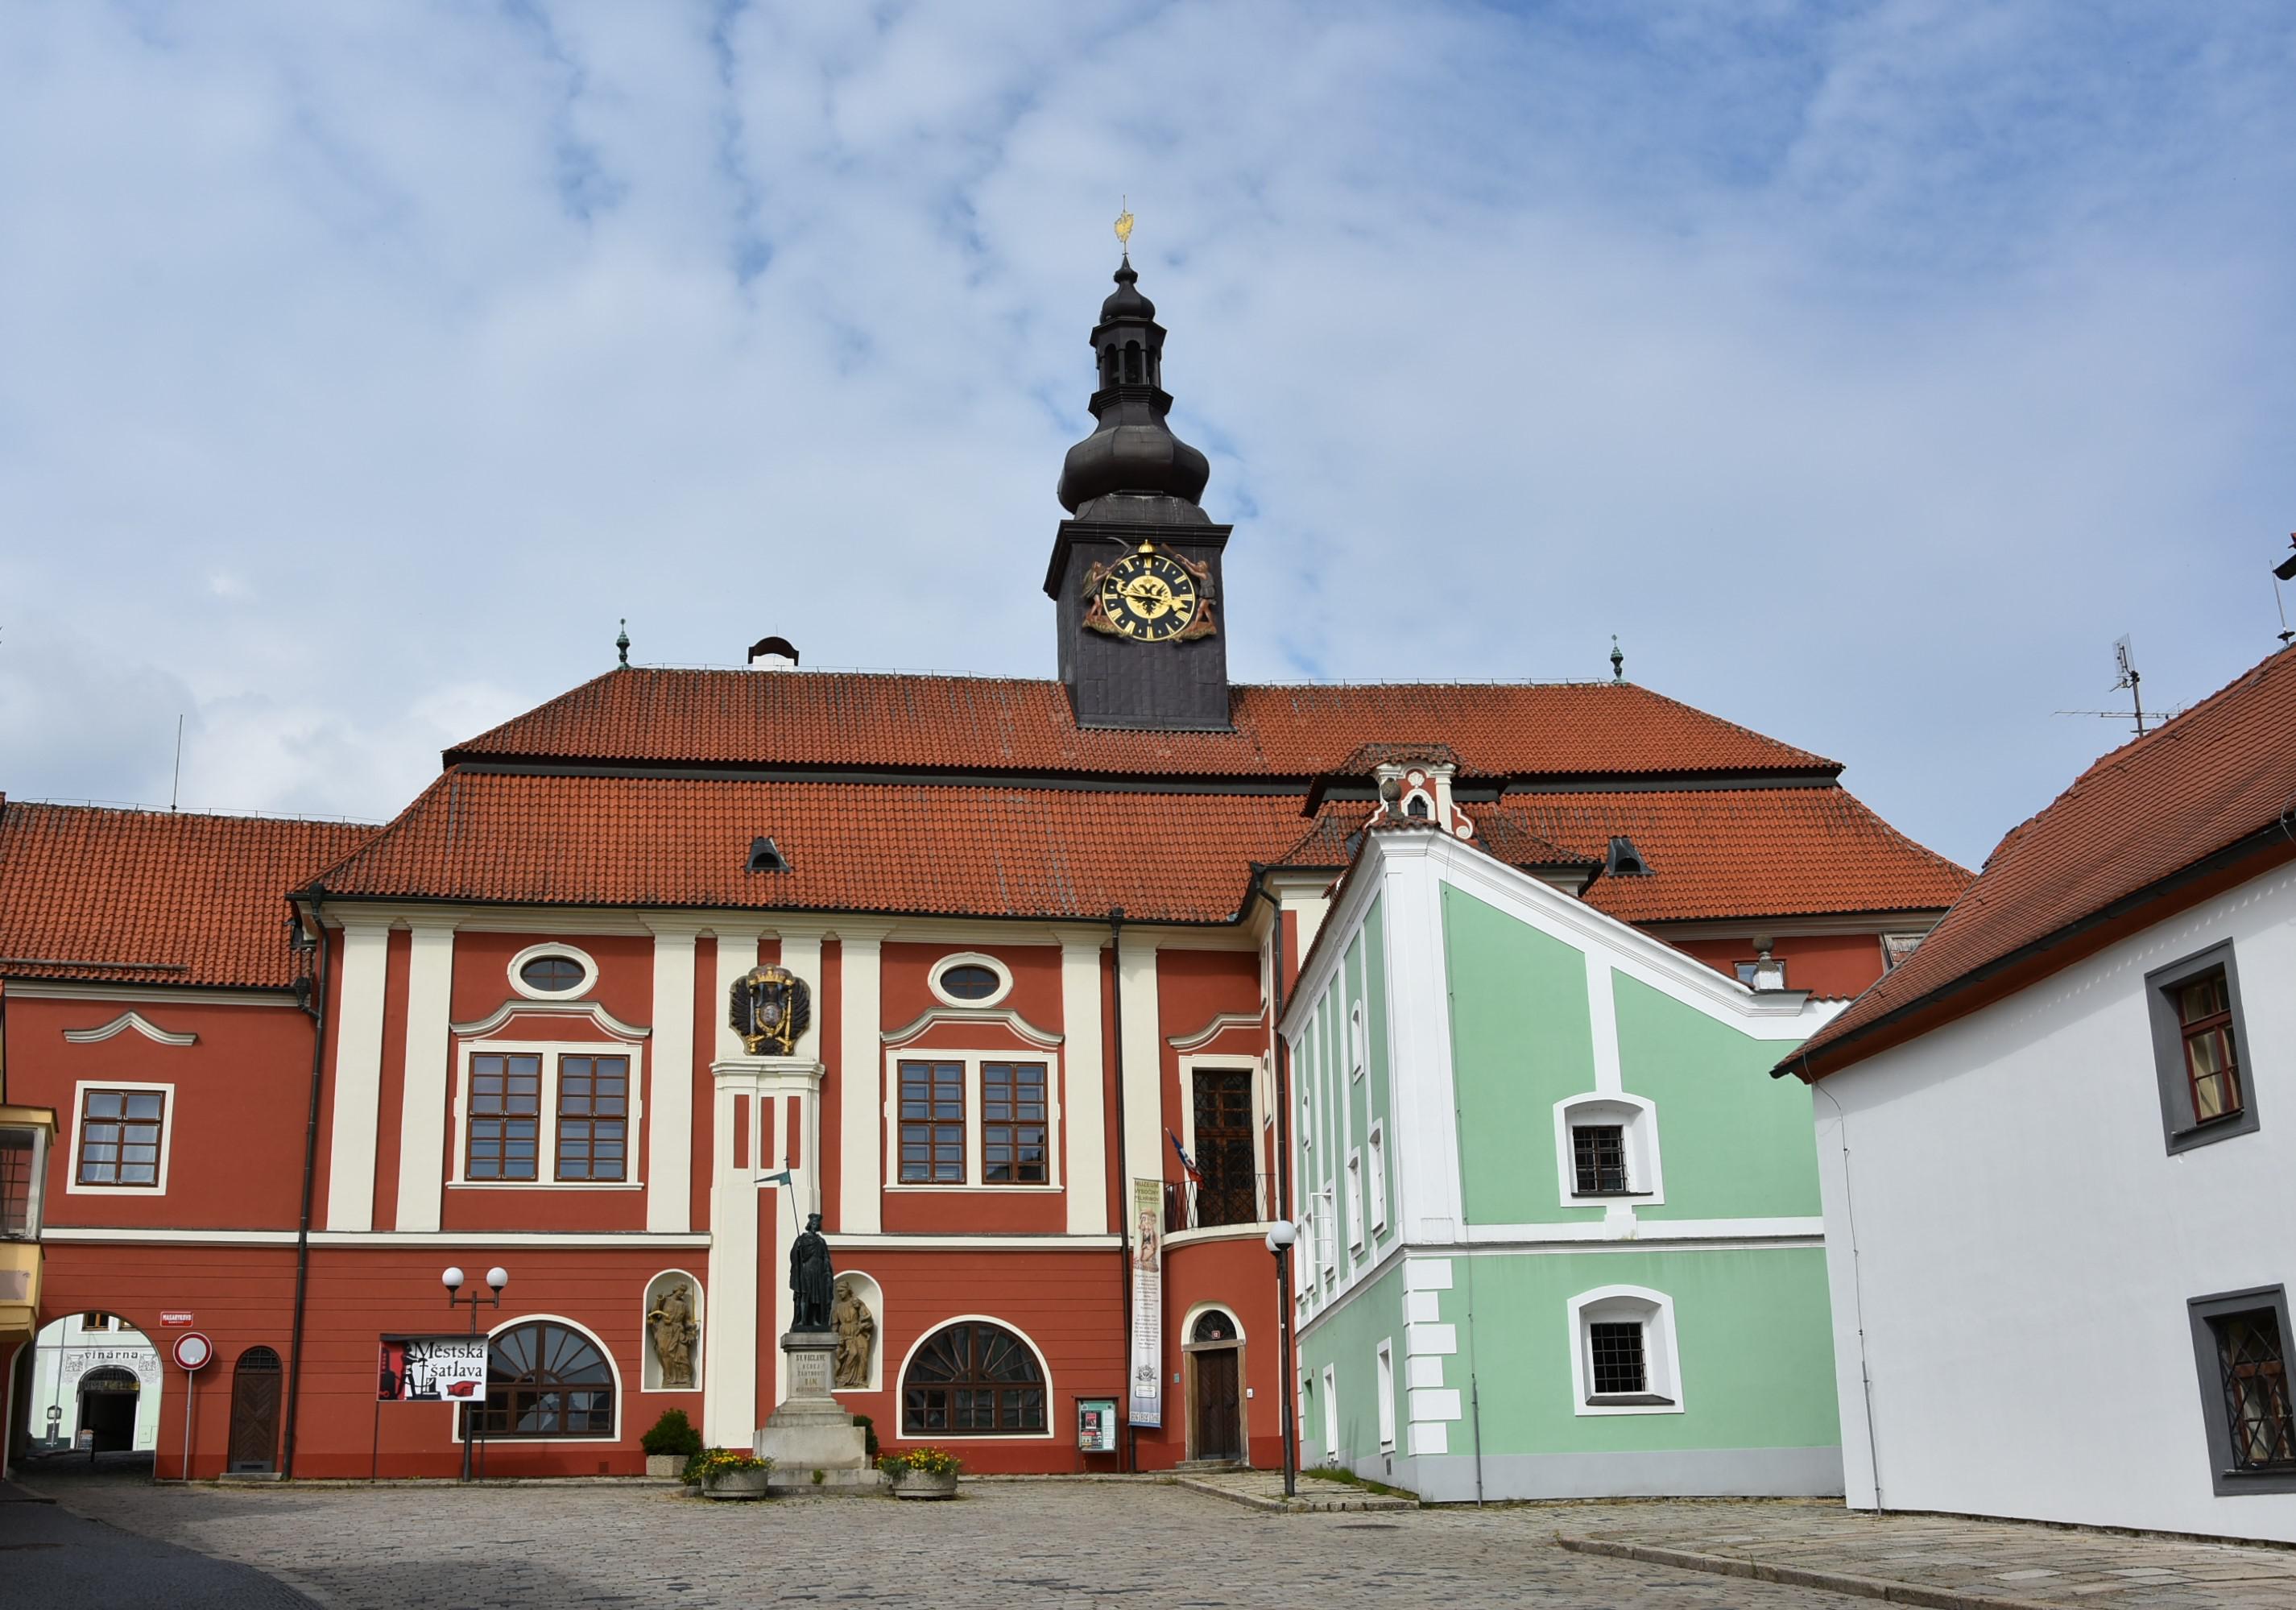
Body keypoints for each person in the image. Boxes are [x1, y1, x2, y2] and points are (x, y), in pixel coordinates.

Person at [790, 1212, 834, 1331]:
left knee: (817, 1297)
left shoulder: (820, 1241)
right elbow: (794, 1256)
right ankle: (802, 1320)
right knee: (805, 1295)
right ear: (810, 1224)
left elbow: (826, 1257)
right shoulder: (802, 1239)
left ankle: (815, 1320)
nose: (815, 1226)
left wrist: (828, 1273)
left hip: (819, 1271)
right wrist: (797, 1249)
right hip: (806, 1270)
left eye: (817, 1224)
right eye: (814, 1223)